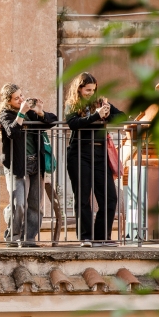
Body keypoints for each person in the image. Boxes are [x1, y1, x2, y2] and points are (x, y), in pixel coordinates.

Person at [64, 72, 125, 247]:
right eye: (87, 90)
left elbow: (122, 117)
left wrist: (107, 114)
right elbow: (73, 123)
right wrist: (96, 116)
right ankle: (86, 237)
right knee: (83, 197)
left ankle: (102, 237)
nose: (91, 93)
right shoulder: (71, 104)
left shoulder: (101, 103)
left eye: (93, 90)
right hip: (79, 153)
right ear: (79, 89)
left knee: (109, 197)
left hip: (100, 154)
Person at [0, 83, 57, 247]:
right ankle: (13, 236)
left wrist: (41, 112)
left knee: (36, 204)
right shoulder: (6, 114)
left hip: (36, 162)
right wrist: (21, 113)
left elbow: (52, 121)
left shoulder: (30, 113)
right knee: (19, 204)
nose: (21, 99)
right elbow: (12, 132)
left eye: (21, 95)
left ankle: (29, 238)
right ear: (8, 101)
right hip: (17, 164)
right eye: (16, 98)